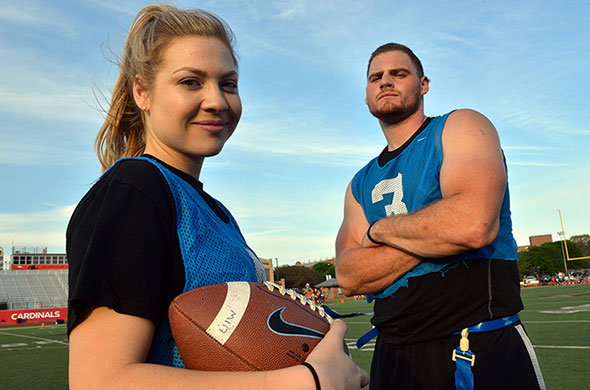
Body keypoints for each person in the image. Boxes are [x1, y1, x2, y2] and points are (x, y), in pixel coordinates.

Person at [67, 4, 369, 390]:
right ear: (142, 92)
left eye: (228, 83)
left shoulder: (213, 210)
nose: (217, 101)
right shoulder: (133, 190)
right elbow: (99, 380)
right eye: (191, 82)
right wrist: (307, 381)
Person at [335, 43, 545, 390]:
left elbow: (472, 225)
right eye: (376, 77)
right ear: (367, 95)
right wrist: (437, 233)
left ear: (423, 84)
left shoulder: (460, 126)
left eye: (398, 73)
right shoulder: (360, 182)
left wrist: (379, 232)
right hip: (393, 354)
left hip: (475, 342)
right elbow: (350, 275)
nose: (385, 81)